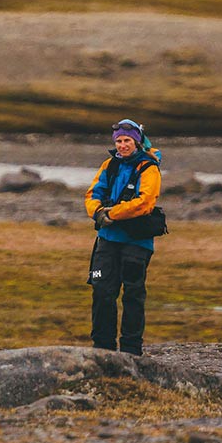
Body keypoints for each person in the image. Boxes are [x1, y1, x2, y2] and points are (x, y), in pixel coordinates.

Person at [83, 119, 162, 355]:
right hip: (107, 240)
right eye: (119, 141)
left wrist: (112, 214)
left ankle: (130, 349)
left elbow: (145, 203)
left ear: (136, 141)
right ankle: (103, 346)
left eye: (127, 140)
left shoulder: (149, 167)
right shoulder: (109, 165)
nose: (122, 145)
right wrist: (97, 212)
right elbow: (92, 193)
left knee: (133, 294)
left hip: (136, 242)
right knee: (102, 291)